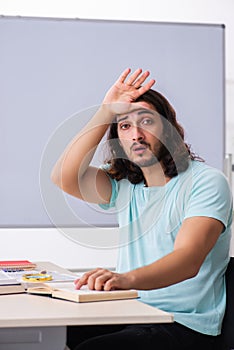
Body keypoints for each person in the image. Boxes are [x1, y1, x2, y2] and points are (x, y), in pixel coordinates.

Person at [51, 68, 233, 350]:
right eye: (124, 126)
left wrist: (124, 279)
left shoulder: (206, 182)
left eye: (146, 121)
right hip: (131, 310)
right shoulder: (125, 185)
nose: (136, 135)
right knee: (57, 332)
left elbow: (188, 260)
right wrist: (106, 110)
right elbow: (64, 175)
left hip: (183, 323)